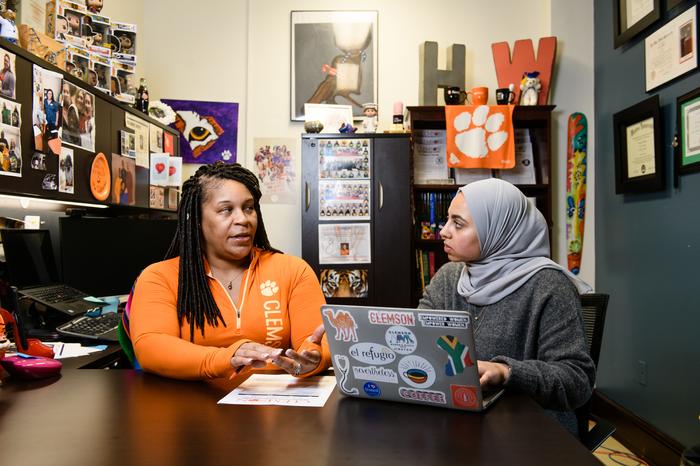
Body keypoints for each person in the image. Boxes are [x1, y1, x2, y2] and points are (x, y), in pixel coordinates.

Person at [418, 178, 595, 436]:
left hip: (529, 433)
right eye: (447, 220)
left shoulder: (549, 286)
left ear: (497, 229)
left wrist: (507, 372)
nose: (443, 231)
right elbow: (419, 339)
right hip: (461, 423)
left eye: (458, 224)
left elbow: (576, 380)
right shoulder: (449, 277)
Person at [129, 162, 331, 381]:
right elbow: (151, 347)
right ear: (197, 220)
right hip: (193, 409)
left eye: (248, 208)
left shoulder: (293, 270)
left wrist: (315, 360)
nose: (243, 219)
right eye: (226, 210)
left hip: (274, 407)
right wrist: (228, 357)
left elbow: (317, 343)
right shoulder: (159, 277)